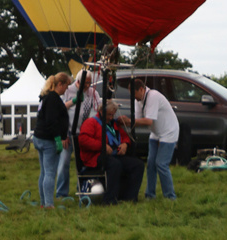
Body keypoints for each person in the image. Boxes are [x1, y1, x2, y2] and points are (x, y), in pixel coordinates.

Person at [77, 100, 144, 203]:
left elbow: (125, 137)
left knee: (137, 165)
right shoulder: (91, 122)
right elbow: (83, 140)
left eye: (113, 115)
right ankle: (109, 199)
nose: (111, 118)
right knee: (115, 164)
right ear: (101, 112)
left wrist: (125, 144)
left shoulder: (113, 124)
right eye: (109, 115)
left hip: (113, 155)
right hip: (95, 157)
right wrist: (102, 146)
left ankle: (129, 197)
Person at [56, 67, 101, 199]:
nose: (87, 86)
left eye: (89, 83)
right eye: (85, 83)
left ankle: (82, 189)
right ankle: (61, 193)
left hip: (83, 135)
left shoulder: (93, 93)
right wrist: (62, 134)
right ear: (78, 81)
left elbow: (97, 109)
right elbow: (60, 110)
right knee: (64, 162)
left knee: (83, 163)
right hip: (68, 133)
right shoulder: (68, 91)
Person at [132, 80, 179, 201]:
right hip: (156, 133)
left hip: (169, 132)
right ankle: (150, 195)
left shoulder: (153, 96)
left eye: (135, 95)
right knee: (151, 163)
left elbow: (148, 121)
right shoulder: (138, 99)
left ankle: (170, 196)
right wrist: (126, 123)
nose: (135, 99)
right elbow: (137, 120)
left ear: (141, 89)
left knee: (161, 164)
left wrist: (129, 121)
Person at [33, 72, 70, 207]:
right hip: (48, 140)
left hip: (39, 137)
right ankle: (49, 204)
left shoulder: (46, 96)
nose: (66, 89)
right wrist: (58, 139)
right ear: (60, 84)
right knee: (50, 173)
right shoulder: (53, 99)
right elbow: (52, 121)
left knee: (44, 171)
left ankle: (44, 202)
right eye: (66, 86)